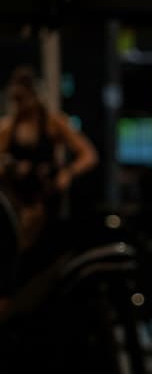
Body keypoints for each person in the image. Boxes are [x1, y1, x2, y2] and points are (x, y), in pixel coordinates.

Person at [1, 66, 99, 255]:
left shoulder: (53, 123)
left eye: (22, 98)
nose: (19, 104)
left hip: (45, 199)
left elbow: (89, 155)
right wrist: (10, 167)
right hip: (18, 202)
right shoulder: (8, 128)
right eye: (16, 99)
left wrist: (68, 173)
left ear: (34, 94)